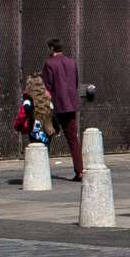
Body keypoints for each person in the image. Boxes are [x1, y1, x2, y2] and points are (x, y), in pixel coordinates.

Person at [42, 38, 83, 179]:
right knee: (73, 138)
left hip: (56, 104)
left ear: (51, 49)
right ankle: (79, 170)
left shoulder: (49, 64)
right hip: (71, 104)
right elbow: (76, 82)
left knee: (46, 134)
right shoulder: (71, 62)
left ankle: (40, 167)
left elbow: (47, 86)